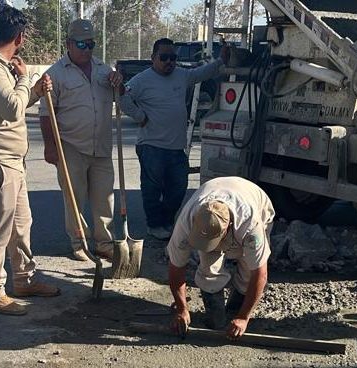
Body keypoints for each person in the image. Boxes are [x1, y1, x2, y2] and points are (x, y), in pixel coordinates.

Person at [0, 4, 59, 316]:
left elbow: (10, 105)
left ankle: (24, 278)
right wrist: (25, 79)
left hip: (11, 161)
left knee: (21, 225)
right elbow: (13, 110)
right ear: (19, 36)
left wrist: (34, 91)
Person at [121, 38, 229, 240]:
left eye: (172, 57)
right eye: (164, 57)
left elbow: (201, 74)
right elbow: (122, 97)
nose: (169, 61)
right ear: (153, 58)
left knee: (178, 188)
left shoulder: (181, 75)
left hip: (177, 146)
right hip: (151, 146)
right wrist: (140, 116)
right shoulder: (142, 80)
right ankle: (155, 225)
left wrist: (221, 61)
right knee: (152, 189)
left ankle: (167, 222)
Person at [40, 19, 123, 262]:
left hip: (101, 146)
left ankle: (104, 243)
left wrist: (120, 82)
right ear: (68, 44)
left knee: (105, 197)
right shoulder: (54, 74)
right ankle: (80, 243)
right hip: (71, 146)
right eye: (81, 44)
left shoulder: (103, 69)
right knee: (74, 198)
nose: (87, 49)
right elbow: (47, 114)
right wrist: (50, 146)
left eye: (91, 44)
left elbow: (121, 94)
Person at [167, 177, 275, 340]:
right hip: (216, 192)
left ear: (227, 230)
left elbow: (260, 274)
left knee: (248, 269)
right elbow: (176, 267)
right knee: (208, 267)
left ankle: (237, 308)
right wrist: (182, 309)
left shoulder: (251, 226)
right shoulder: (187, 221)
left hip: (256, 202)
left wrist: (243, 317)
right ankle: (215, 313)